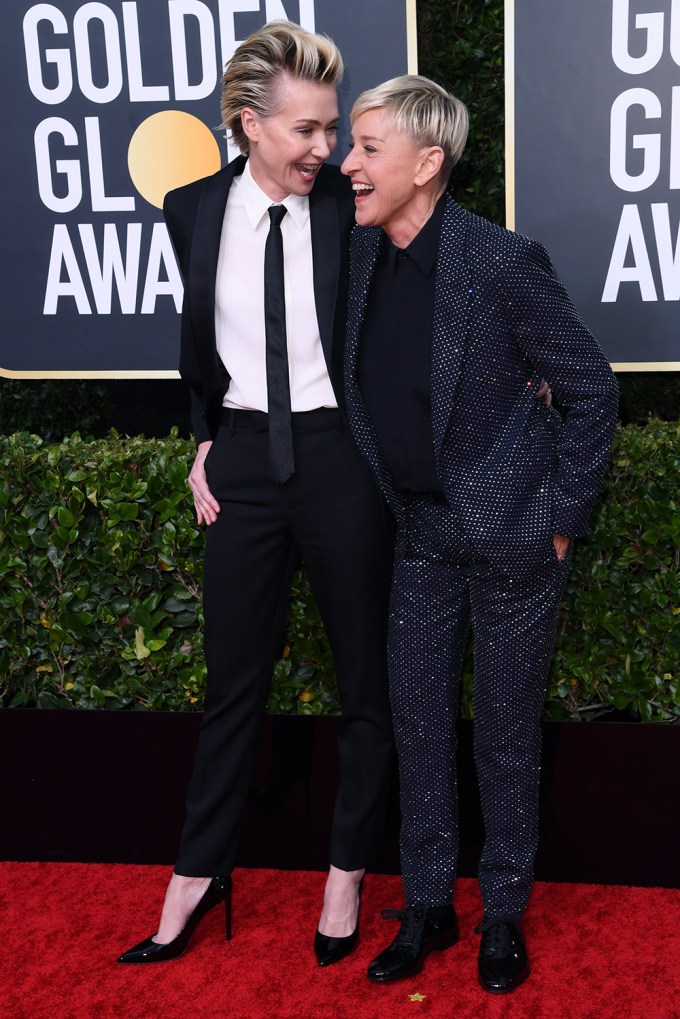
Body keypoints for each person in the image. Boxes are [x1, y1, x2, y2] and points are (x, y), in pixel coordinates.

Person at [118, 21, 395, 967]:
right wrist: (205, 435)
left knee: (367, 684)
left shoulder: (348, 209)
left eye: (333, 130)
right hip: (240, 464)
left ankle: (347, 872)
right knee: (232, 684)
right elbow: (201, 342)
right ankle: (197, 872)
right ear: (249, 124)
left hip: (339, 461)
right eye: (308, 130)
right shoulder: (191, 209)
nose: (329, 149)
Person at [340, 75, 619, 993]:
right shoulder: (363, 260)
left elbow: (591, 390)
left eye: (368, 148)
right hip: (421, 537)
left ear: (428, 164)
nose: (349, 163)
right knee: (419, 727)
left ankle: (503, 911)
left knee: (503, 734)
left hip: (512, 545)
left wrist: (560, 526)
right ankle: (429, 905)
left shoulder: (498, 262)